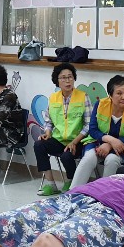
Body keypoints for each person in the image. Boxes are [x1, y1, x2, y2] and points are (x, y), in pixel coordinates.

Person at [70, 76, 124, 190]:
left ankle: (104, 196)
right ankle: (72, 193)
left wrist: (110, 144)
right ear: (110, 95)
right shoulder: (100, 105)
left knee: (112, 160)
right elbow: (93, 130)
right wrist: (110, 140)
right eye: (119, 93)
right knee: (89, 157)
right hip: (98, 143)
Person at [34, 63, 94, 196]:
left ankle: (70, 182)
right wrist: (47, 133)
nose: (67, 81)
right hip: (59, 139)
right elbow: (49, 121)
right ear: (57, 81)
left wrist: (75, 141)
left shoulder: (83, 97)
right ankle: (51, 184)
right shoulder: (53, 98)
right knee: (39, 145)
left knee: (67, 155)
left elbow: (89, 125)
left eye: (70, 77)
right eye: (63, 78)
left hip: (79, 140)